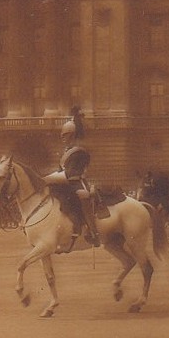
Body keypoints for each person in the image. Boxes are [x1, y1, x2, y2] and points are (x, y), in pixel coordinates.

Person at [43, 105, 99, 249]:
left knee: (82, 197)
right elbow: (60, 170)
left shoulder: (79, 151)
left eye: (65, 135)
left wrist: (48, 178)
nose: (62, 137)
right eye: (62, 135)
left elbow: (70, 174)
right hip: (67, 183)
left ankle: (93, 232)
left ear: (72, 135)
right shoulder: (67, 151)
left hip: (77, 182)